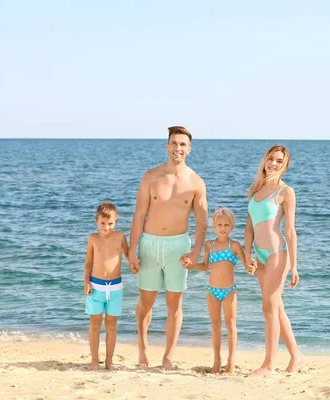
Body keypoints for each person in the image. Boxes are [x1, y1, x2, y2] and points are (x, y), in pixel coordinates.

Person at [128, 126, 208, 370]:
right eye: (174, 143)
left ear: (189, 149)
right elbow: (139, 214)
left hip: (178, 247)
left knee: (175, 304)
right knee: (146, 301)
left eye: (183, 144)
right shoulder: (151, 177)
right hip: (150, 244)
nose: (178, 148)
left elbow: (202, 222)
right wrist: (132, 250)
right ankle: (143, 351)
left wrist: (195, 252)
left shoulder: (196, 182)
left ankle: (168, 357)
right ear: (167, 146)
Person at [244, 144, 304, 376]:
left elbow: (290, 231)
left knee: (268, 308)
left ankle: (269, 365)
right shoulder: (255, 190)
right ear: (265, 160)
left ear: (285, 166)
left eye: (279, 161)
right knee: (276, 308)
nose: (273, 164)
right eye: (271, 159)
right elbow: (249, 227)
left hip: (278, 254)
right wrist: (247, 254)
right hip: (259, 256)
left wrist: (295, 265)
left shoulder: (285, 192)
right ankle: (297, 355)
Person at [184, 207, 257, 374]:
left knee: (231, 325)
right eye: (219, 225)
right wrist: (191, 264)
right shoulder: (210, 245)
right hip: (212, 291)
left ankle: (231, 362)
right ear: (214, 226)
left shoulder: (235, 246)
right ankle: (216, 362)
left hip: (229, 291)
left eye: (226, 225)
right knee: (215, 325)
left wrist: (253, 268)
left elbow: (248, 267)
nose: (222, 228)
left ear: (231, 227)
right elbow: (204, 266)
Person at [84, 202, 129, 371]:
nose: (106, 227)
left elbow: (128, 254)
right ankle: (94, 361)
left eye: (110, 224)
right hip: (96, 286)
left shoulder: (120, 236)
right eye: (102, 223)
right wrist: (86, 282)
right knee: (95, 325)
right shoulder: (93, 238)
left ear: (115, 222)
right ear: (97, 221)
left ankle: (109, 361)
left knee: (111, 325)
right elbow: (88, 263)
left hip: (115, 287)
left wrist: (135, 264)